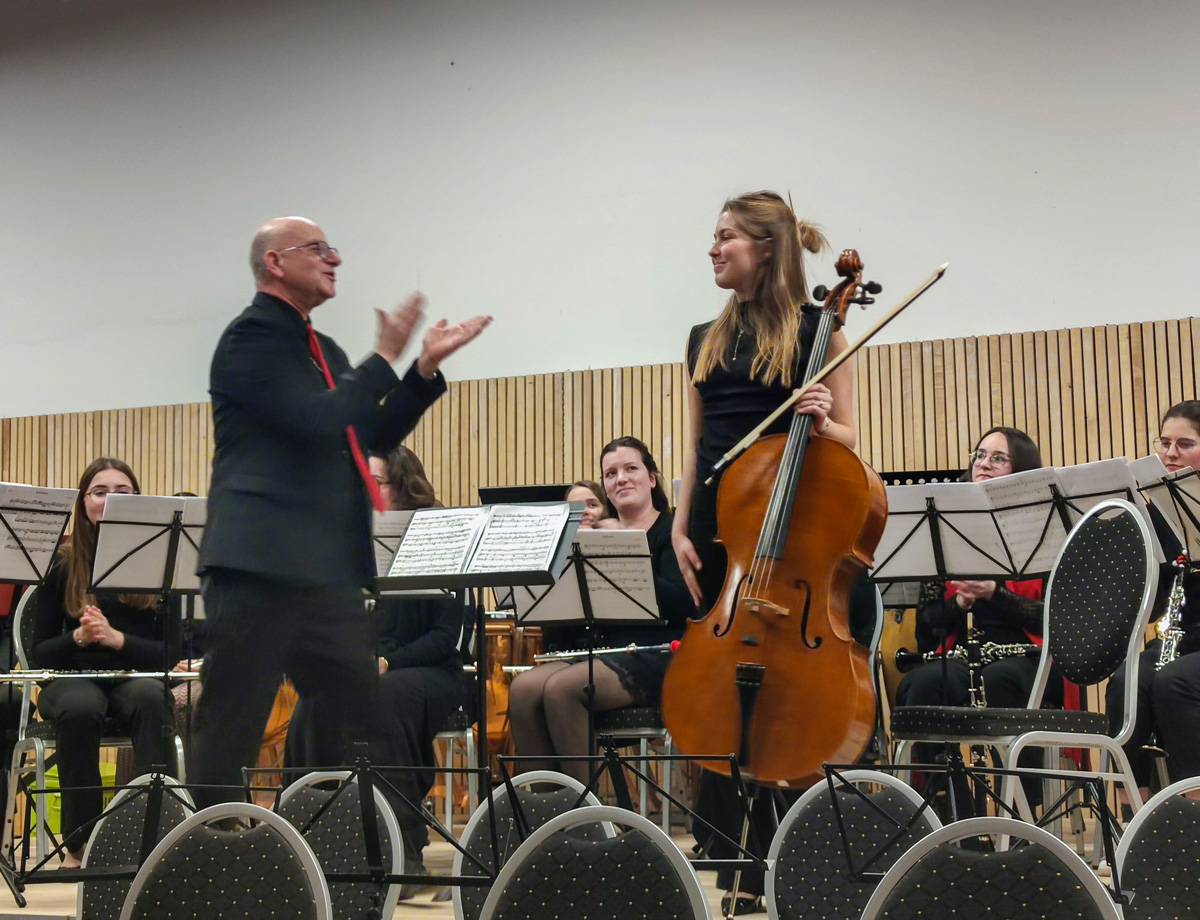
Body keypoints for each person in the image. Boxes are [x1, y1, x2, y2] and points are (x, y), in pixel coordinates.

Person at [192, 216, 489, 809]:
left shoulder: (322, 349)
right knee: (232, 727)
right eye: (319, 249)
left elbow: (364, 433)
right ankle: (203, 862)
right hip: (257, 563)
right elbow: (316, 422)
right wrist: (382, 355)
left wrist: (421, 370)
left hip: (320, 570)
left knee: (365, 721)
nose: (336, 259)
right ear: (276, 262)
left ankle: (372, 860)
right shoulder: (249, 338)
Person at [671, 191, 857, 915]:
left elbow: (848, 440)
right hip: (723, 535)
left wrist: (821, 418)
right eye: (713, 236)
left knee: (790, 709)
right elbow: (692, 448)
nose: (713, 249)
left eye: (726, 237)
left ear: (768, 248)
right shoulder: (700, 337)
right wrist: (681, 529)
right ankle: (736, 872)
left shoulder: (821, 329)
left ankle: (804, 862)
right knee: (725, 707)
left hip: (794, 539)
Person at [287, 445, 464, 890]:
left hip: (430, 670)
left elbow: (443, 639)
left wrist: (386, 661)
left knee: (383, 699)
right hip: (369, 668)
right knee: (314, 702)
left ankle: (402, 853)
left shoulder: (437, 535)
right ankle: (313, 844)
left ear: (402, 484)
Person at [894, 427, 1062, 812]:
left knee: (1001, 681)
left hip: (1027, 656)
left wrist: (994, 594)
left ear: (1021, 470)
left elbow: (1054, 619)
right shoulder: (943, 525)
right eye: (979, 454)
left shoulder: (1044, 528)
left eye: (998, 458)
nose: (983, 463)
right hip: (960, 656)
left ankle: (1022, 814)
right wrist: (962, 601)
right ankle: (950, 814)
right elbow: (926, 629)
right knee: (922, 684)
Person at [509, 437, 694, 784]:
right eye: (610, 473)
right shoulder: (589, 538)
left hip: (658, 653)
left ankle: (590, 819)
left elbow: (684, 602)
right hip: (599, 652)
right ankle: (550, 817)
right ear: (606, 487)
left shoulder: (672, 530)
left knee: (564, 689)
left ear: (652, 478)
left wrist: (621, 551)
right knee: (522, 689)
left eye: (630, 468)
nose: (620, 478)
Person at [31, 457, 180, 866]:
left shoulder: (160, 560)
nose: (111, 499)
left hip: (134, 676)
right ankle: (81, 843)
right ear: (83, 503)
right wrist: (79, 636)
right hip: (70, 679)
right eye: (100, 491)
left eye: (123, 492)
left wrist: (118, 639)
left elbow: (171, 652)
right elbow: (38, 651)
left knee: (152, 699)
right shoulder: (60, 562)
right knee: (81, 707)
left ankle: (157, 837)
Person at [1108, 400, 1200, 802]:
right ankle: (1138, 815)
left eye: (1185, 443)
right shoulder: (1165, 511)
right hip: (1182, 640)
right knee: (1126, 683)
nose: (1170, 454)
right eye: (1164, 443)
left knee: (1172, 682)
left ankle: (1190, 814)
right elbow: (1159, 600)